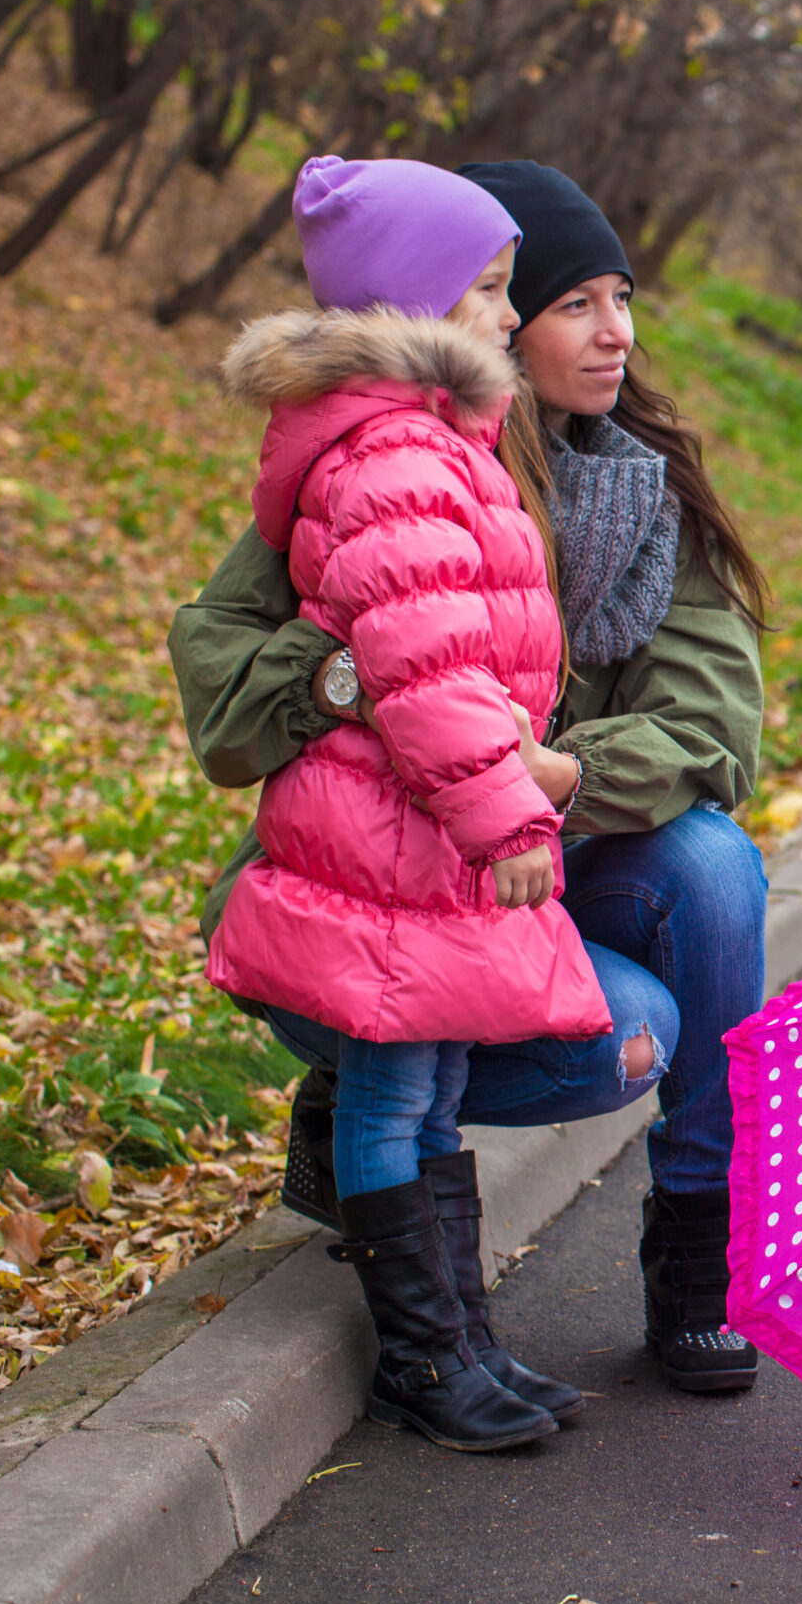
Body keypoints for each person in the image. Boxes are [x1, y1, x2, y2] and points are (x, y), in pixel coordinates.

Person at [169, 161, 770, 1403]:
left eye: (624, 299)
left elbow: (716, 732)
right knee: (612, 1039)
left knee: (712, 865)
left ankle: (697, 1246)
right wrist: (363, 679)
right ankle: (370, 1143)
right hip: (385, 882)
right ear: (465, 315)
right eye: (571, 304)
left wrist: (552, 770)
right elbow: (227, 704)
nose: (619, 334)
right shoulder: (396, 463)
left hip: (526, 855)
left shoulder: (641, 494)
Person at [208, 155, 641, 1451]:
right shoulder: (397, 453)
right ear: (416, 300)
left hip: (423, 834)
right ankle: (423, 1353)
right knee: (399, 1093)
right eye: (494, 287)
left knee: (430, 1089)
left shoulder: (433, 436)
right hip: (400, 837)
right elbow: (424, 663)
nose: (511, 314)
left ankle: (459, 1337)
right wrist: (509, 815)